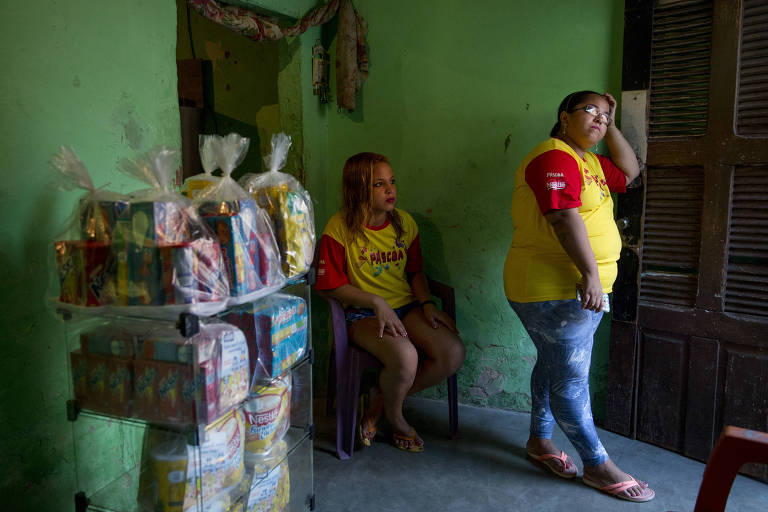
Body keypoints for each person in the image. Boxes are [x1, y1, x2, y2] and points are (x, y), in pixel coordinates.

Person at [503, 91, 654, 502]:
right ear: (563, 117)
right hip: (552, 289)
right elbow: (561, 216)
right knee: (570, 380)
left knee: (554, 366)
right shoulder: (552, 156)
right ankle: (597, 465)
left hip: (581, 290)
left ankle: (539, 442)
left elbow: (631, 170)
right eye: (591, 111)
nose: (600, 120)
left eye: (605, 116)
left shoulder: (589, 161)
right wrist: (589, 274)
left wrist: (612, 123)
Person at [316, 152, 466, 452]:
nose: (390, 190)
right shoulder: (339, 227)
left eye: (392, 182)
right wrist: (375, 302)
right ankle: (396, 419)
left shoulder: (404, 223)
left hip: (406, 308)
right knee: (405, 357)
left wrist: (426, 304)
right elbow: (329, 285)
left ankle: (380, 403)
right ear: (358, 189)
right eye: (379, 184)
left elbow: (415, 272)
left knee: (452, 352)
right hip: (362, 315)